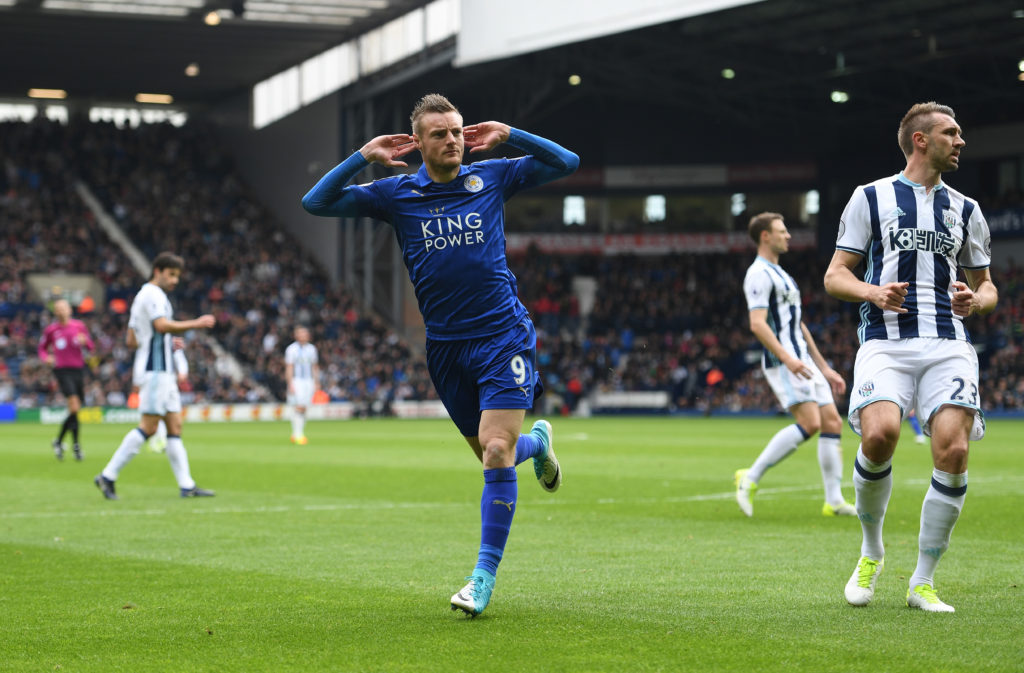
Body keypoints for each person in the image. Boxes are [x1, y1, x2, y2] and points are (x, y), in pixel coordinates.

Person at [301, 93, 578, 617]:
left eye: (456, 131)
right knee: (496, 454)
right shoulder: (396, 193)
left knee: (495, 452)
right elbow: (315, 203)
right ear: (420, 144)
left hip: (503, 335)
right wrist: (363, 156)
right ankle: (538, 443)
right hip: (446, 349)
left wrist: (510, 132)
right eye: (439, 134)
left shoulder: (492, 176)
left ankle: (481, 579)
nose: (452, 140)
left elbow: (567, 163)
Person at [824, 102, 997, 613]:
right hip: (886, 342)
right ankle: (871, 550)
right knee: (879, 436)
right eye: (951, 133)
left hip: (948, 344)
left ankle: (922, 580)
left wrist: (976, 301)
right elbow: (836, 275)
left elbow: (988, 288)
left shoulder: (967, 209)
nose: (960, 141)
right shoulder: (870, 197)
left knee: (954, 451)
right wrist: (873, 293)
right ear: (921, 140)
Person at [735, 213, 855, 518]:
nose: (788, 236)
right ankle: (750, 478)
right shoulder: (758, 274)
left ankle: (833, 500)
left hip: (802, 359)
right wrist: (788, 359)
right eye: (782, 231)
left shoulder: (782, 274)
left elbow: (797, 325)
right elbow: (757, 324)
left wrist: (824, 368)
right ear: (765, 236)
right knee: (810, 423)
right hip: (783, 360)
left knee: (832, 423)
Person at [94, 252, 218, 500]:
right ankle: (107, 476)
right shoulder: (152, 295)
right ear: (158, 270)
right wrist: (196, 323)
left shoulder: (144, 296)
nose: (175, 281)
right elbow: (161, 326)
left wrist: (157, 341)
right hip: (156, 371)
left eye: (177, 276)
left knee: (175, 426)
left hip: (163, 371)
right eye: (171, 275)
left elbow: (131, 339)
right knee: (149, 427)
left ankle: (187, 486)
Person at [38, 298, 95, 461]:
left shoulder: (79, 326)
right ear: (55, 312)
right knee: (74, 406)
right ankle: (76, 446)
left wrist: (86, 342)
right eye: (58, 309)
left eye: (64, 308)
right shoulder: (51, 330)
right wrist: (46, 358)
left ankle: (59, 441)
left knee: (74, 409)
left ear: (69, 310)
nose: (61, 311)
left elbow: (91, 346)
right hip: (61, 370)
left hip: (78, 369)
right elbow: (41, 348)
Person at [148, 337, 189, 454]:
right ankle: (160, 440)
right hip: (156, 383)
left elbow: (180, 358)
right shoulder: (155, 340)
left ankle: (161, 441)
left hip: (167, 383)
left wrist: (182, 372)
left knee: (165, 415)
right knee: (159, 414)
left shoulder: (170, 342)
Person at [284, 326, 319, 444]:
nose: (303, 336)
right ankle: (298, 434)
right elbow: (289, 367)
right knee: (298, 406)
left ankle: (296, 434)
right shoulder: (291, 349)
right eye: (300, 334)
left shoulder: (312, 349)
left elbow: (314, 366)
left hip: (308, 380)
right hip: (296, 380)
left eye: (305, 334)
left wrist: (316, 381)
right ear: (296, 336)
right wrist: (290, 383)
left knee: (304, 407)